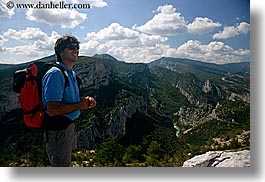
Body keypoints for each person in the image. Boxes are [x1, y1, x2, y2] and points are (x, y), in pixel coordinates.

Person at [42, 35, 96, 167]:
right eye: (71, 48)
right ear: (60, 52)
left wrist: (86, 101)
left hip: (68, 127)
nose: (76, 50)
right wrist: (80, 105)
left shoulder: (70, 72)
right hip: (58, 130)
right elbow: (52, 109)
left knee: (65, 163)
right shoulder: (55, 74)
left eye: (77, 48)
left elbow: (70, 99)